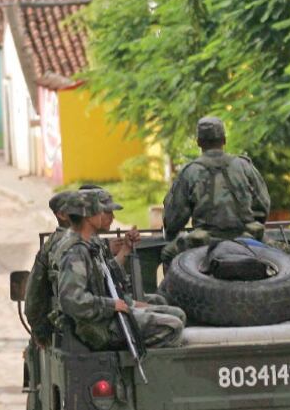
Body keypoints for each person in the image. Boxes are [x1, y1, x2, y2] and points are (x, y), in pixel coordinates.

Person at [57, 190, 186, 351]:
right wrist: (111, 305)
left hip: (106, 317)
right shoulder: (75, 251)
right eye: (99, 211)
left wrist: (125, 250)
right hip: (99, 326)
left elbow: (104, 279)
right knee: (173, 327)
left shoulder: (89, 244)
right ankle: (148, 370)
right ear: (89, 217)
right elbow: (72, 300)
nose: (104, 215)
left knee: (177, 315)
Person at [161, 116, 270, 262]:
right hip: (247, 237)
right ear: (224, 140)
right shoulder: (244, 166)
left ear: (198, 142)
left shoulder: (190, 171)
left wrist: (171, 233)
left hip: (204, 242)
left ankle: (170, 286)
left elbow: (174, 218)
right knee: (284, 253)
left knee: (168, 254)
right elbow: (263, 206)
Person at [24, 191, 78, 345]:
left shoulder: (90, 243)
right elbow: (34, 297)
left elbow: (32, 299)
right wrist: (42, 332)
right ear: (62, 215)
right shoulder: (58, 247)